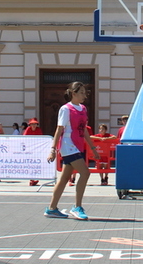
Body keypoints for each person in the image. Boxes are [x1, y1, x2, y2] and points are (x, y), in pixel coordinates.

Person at [45, 81, 99, 220]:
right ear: (73, 93)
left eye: (85, 93)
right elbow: (59, 129)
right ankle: (77, 206)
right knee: (85, 173)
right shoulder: (66, 109)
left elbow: (84, 130)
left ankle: (52, 208)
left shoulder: (83, 109)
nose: (84, 96)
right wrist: (53, 149)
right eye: (81, 93)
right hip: (68, 145)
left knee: (63, 179)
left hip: (77, 145)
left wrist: (92, 147)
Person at [23, 118, 43, 186]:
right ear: (30, 125)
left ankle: (35, 178)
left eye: (35, 124)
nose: (34, 125)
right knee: (30, 164)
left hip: (37, 150)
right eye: (32, 124)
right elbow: (24, 138)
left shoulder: (38, 130)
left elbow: (41, 139)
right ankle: (31, 179)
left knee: (36, 164)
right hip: (30, 150)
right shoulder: (28, 129)